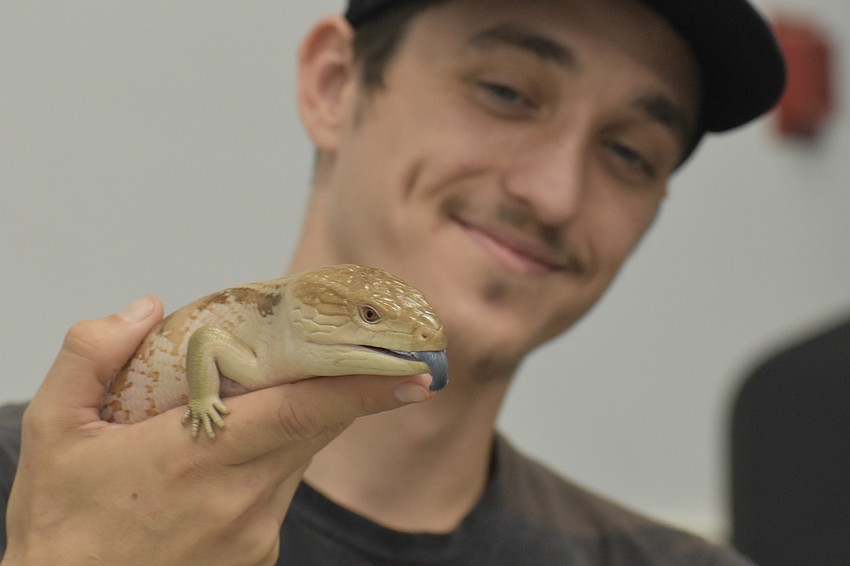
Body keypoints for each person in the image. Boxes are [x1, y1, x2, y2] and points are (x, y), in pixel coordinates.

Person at [0, 0, 784, 564]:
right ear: (335, 85)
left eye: (630, 152)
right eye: (506, 92)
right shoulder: (25, 483)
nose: (554, 193)